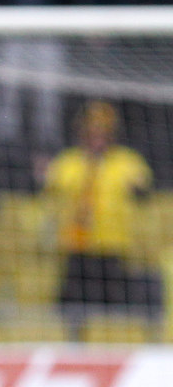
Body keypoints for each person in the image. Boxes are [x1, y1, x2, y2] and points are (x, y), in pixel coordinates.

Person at [46, 101, 161, 337]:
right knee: (74, 303)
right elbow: (51, 191)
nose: (97, 138)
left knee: (117, 307)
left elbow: (144, 191)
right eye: (92, 132)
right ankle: (74, 340)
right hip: (77, 247)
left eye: (103, 132)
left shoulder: (127, 161)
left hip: (115, 248)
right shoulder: (68, 162)